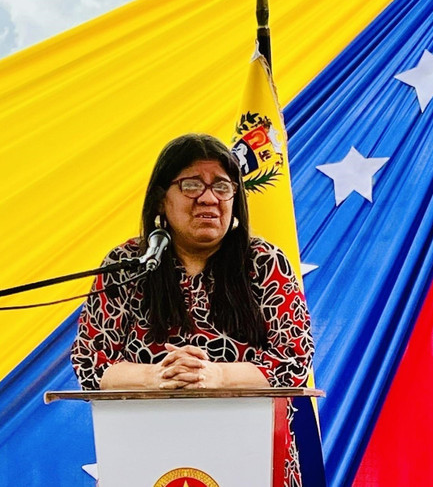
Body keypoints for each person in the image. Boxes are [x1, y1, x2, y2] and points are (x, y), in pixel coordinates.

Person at [71, 133, 314, 487]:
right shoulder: (127, 265)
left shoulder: (264, 263)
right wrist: (159, 378)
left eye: (222, 186)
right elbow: (91, 363)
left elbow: (293, 362)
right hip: (145, 457)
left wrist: (213, 377)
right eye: (191, 185)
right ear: (160, 200)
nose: (208, 198)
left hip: (253, 457)